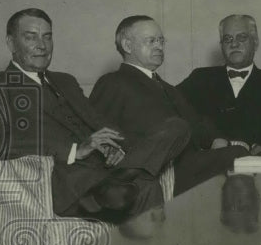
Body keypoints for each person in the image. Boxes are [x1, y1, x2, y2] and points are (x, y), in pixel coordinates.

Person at [0, 9, 187, 221]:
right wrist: (74, 151)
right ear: (11, 43)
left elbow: (98, 120)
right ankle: (120, 183)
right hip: (71, 182)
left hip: (106, 172)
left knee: (177, 128)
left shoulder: (65, 81)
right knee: (145, 187)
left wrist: (115, 146)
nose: (42, 45)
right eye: (31, 37)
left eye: (47, 37)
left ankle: (125, 176)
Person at [89, 15, 248, 195]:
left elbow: (196, 122)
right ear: (127, 45)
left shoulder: (168, 88)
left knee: (242, 153)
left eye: (161, 40)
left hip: (189, 165)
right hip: (158, 174)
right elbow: (94, 129)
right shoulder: (114, 82)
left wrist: (215, 139)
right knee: (238, 156)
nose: (159, 46)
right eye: (151, 41)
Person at [178, 14, 261, 154]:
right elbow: (171, 103)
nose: (234, 44)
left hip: (256, 163)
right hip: (209, 162)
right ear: (221, 45)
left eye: (241, 37)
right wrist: (210, 139)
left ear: (255, 43)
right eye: (227, 39)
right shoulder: (200, 78)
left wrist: (260, 151)